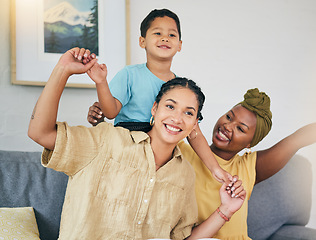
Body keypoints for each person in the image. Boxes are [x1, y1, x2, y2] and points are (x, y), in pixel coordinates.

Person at [27, 47, 246, 240]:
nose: (177, 118)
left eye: (188, 113)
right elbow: (40, 133)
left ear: (194, 125)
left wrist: (226, 209)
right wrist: (62, 70)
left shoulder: (184, 175)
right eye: (170, 107)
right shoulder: (106, 140)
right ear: (154, 109)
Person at [87, 8, 232, 184]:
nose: (165, 38)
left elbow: (194, 134)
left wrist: (215, 168)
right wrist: (101, 82)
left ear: (179, 45)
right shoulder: (129, 74)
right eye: (157, 33)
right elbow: (110, 112)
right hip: (128, 144)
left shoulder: (181, 88)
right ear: (142, 41)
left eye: (172, 35)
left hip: (163, 152)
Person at [178, 88, 316, 240]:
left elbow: (298, 139)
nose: (228, 126)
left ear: (250, 143)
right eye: (229, 117)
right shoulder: (181, 151)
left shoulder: (249, 167)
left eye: (240, 129)